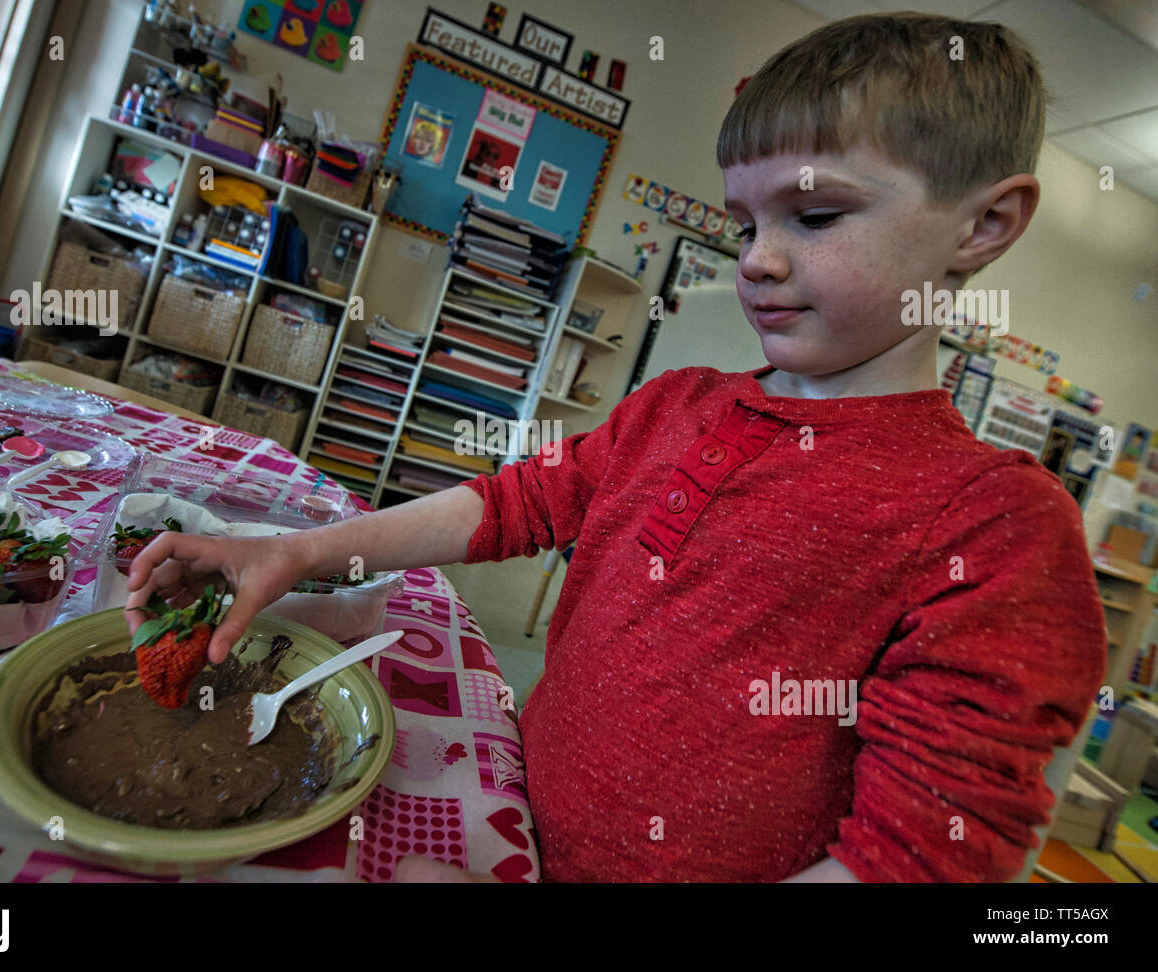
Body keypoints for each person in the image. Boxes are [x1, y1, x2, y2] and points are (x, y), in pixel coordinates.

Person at [126, 12, 1107, 882]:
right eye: (744, 222)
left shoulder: (996, 522)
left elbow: (924, 854)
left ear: (983, 224)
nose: (757, 259)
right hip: (513, 828)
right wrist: (297, 550)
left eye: (813, 216)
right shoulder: (676, 403)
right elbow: (513, 505)